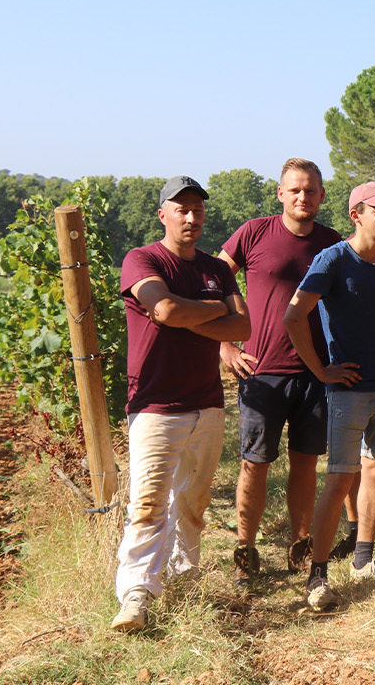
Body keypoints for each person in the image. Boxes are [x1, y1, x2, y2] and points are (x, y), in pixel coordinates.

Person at [112, 176, 250, 632]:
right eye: (181, 209)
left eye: (197, 209)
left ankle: (184, 580)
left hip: (208, 405)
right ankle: (136, 594)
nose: (191, 218)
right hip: (155, 405)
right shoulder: (143, 259)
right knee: (148, 502)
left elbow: (243, 327)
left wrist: (188, 309)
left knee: (194, 502)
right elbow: (165, 311)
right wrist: (212, 309)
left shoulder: (217, 268)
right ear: (163, 215)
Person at [284, 181, 375, 611]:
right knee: (340, 478)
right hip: (348, 391)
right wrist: (321, 370)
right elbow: (294, 314)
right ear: (356, 214)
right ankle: (317, 576)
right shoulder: (333, 259)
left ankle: (363, 559)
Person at [217, 158, 342, 587]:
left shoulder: (332, 242)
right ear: (281, 194)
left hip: (315, 373)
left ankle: (301, 544)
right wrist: (225, 342)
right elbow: (216, 280)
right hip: (261, 370)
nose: (303, 198)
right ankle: (245, 549)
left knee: (306, 464)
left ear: (322, 195)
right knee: (255, 464)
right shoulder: (254, 233)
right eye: (295, 191)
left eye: (310, 191)